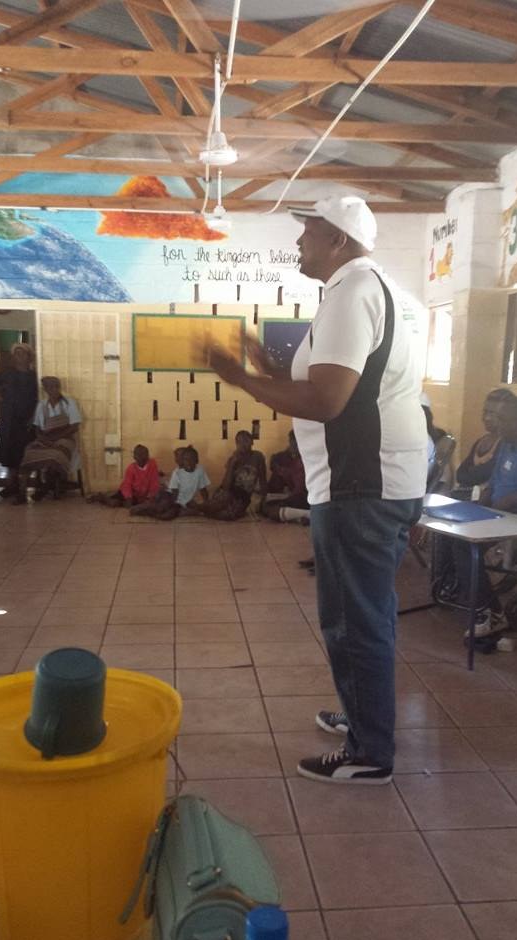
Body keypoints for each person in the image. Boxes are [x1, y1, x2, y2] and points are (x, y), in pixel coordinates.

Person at [203, 195, 427, 784]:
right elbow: (332, 384)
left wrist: (241, 378)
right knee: (365, 613)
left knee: (354, 620)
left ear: (338, 240)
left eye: (308, 232)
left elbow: (327, 401)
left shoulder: (353, 293)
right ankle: (364, 715)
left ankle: (369, 752)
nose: (298, 242)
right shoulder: (366, 289)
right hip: (376, 480)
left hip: (361, 484)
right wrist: (268, 370)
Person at [453, 394, 517, 638]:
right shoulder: (507, 446)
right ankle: (466, 595)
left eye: (504, 419)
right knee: (456, 535)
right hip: (500, 511)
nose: (498, 424)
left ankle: (488, 610)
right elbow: (495, 480)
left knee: (466, 546)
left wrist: (511, 499)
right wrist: (481, 505)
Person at [16, 376, 81, 503]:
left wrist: (57, 436)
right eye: (49, 387)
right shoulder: (42, 405)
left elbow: (75, 426)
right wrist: (42, 438)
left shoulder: (69, 403)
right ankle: (22, 493)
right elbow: (37, 427)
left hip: (65, 438)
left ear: (59, 387)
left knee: (55, 455)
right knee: (29, 452)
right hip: (46, 438)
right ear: (45, 389)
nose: (53, 389)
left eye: (55, 386)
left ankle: (46, 487)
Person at [0, 342, 38, 498]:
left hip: (26, 420)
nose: (19, 357)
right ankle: (11, 484)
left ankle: (21, 486)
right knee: (8, 452)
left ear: (29, 357)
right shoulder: (7, 374)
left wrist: (33, 418)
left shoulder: (33, 377)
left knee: (23, 452)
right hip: (8, 419)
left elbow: (38, 398)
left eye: (23, 353)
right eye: (16, 354)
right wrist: (0, 396)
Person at [455, 387, 514, 496]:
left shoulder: (505, 445)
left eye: (492, 414)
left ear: (506, 416)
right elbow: (460, 474)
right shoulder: (481, 441)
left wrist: (472, 471)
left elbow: (483, 474)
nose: (486, 418)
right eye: (485, 412)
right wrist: (474, 472)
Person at [198, 430, 267, 522]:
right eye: (239, 442)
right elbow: (225, 486)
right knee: (223, 501)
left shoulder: (258, 456)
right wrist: (232, 464)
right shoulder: (233, 459)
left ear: (252, 442)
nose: (243, 444)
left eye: (246, 441)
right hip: (229, 491)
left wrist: (264, 498)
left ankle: (198, 509)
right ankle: (199, 508)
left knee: (228, 515)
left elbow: (263, 479)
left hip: (243, 495)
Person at [130, 445, 209, 520]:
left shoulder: (200, 471)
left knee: (169, 514)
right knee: (163, 510)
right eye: (185, 459)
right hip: (169, 496)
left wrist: (206, 504)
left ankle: (154, 511)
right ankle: (142, 508)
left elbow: (203, 489)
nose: (188, 462)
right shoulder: (177, 473)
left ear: (197, 460)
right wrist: (177, 505)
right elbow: (174, 494)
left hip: (180, 500)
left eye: (191, 460)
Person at [88, 444, 160, 508]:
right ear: (134, 457)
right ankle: (101, 497)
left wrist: (151, 496)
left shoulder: (152, 464)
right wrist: (128, 497)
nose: (142, 457)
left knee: (148, 503)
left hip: (141, 495)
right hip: (128, 492)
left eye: (144, 454)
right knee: (114, 503)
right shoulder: (131, 468)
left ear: (148, 456)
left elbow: (154, 482)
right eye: (139, 455)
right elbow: (127, 485)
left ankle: (110, 499)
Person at [263, 429, 309, 523]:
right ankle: (298, 517)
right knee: (266, 504)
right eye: (290, 441)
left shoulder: (303, 461)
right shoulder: (290, 458)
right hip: (298, 496)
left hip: (305, 499)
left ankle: (309, 515)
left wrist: (285, 500)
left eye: (294, 442)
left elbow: (299, 491)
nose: (291, 445)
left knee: (271, 510)